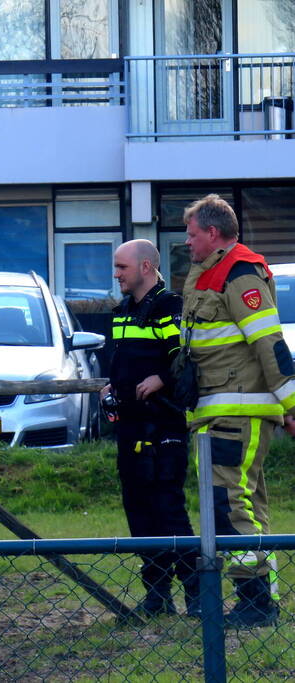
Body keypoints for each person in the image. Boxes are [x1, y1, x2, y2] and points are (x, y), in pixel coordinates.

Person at [181, 194, 295, 628]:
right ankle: (258, 598)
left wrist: (292, 405)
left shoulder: (240, 274)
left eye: (192, 235)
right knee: (241, 503)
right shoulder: (211, 272)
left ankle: (255, 601)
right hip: (220, 412)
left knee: (229, 505)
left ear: (212, 233)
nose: (187, 243)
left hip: (237, 412)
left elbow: (271, 345)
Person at [102, 239, 199, 618]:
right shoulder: (122, 311)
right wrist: (110, 386)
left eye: (122, 267)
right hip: (129, 428)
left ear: (145, 267)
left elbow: (185, 361)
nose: (116, 275)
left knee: (169, 511)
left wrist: (161, 377)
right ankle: (158, 597)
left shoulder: (169, 307)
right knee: (139, 514)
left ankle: (196, 596)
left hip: (164, 427)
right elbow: (121, 362)